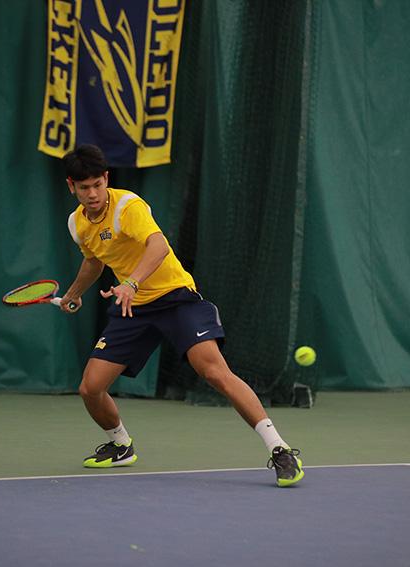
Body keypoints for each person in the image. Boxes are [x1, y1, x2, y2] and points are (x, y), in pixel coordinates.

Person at [58, 144, 303, 487]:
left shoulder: (128, 206)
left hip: (176, 299)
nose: (93, 193)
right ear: (72, 186)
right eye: (84, 188)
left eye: (98, 184)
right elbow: (94, 261)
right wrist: (73, 294)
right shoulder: (77, 224)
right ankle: (120, 445)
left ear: (106, 179)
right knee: (90, 388)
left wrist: (130, 281)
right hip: (135, 309)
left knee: (215, 372)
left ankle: (280, 449)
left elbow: (158, 247)